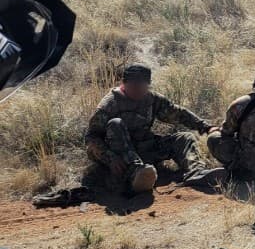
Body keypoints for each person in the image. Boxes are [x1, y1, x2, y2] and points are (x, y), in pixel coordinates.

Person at [85, 64, 223, 193]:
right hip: (121, 158)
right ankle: (136, 176)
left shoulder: (151, 99)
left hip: (146, 147)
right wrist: (110, 158)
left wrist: (206, 127)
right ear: (124, 83)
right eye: (134, 86)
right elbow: (91, 137)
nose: (138, 90)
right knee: (116, 123)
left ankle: (196, 173)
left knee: (185, 138)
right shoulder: (109, 104)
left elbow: (177, 114)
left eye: (142, 86)